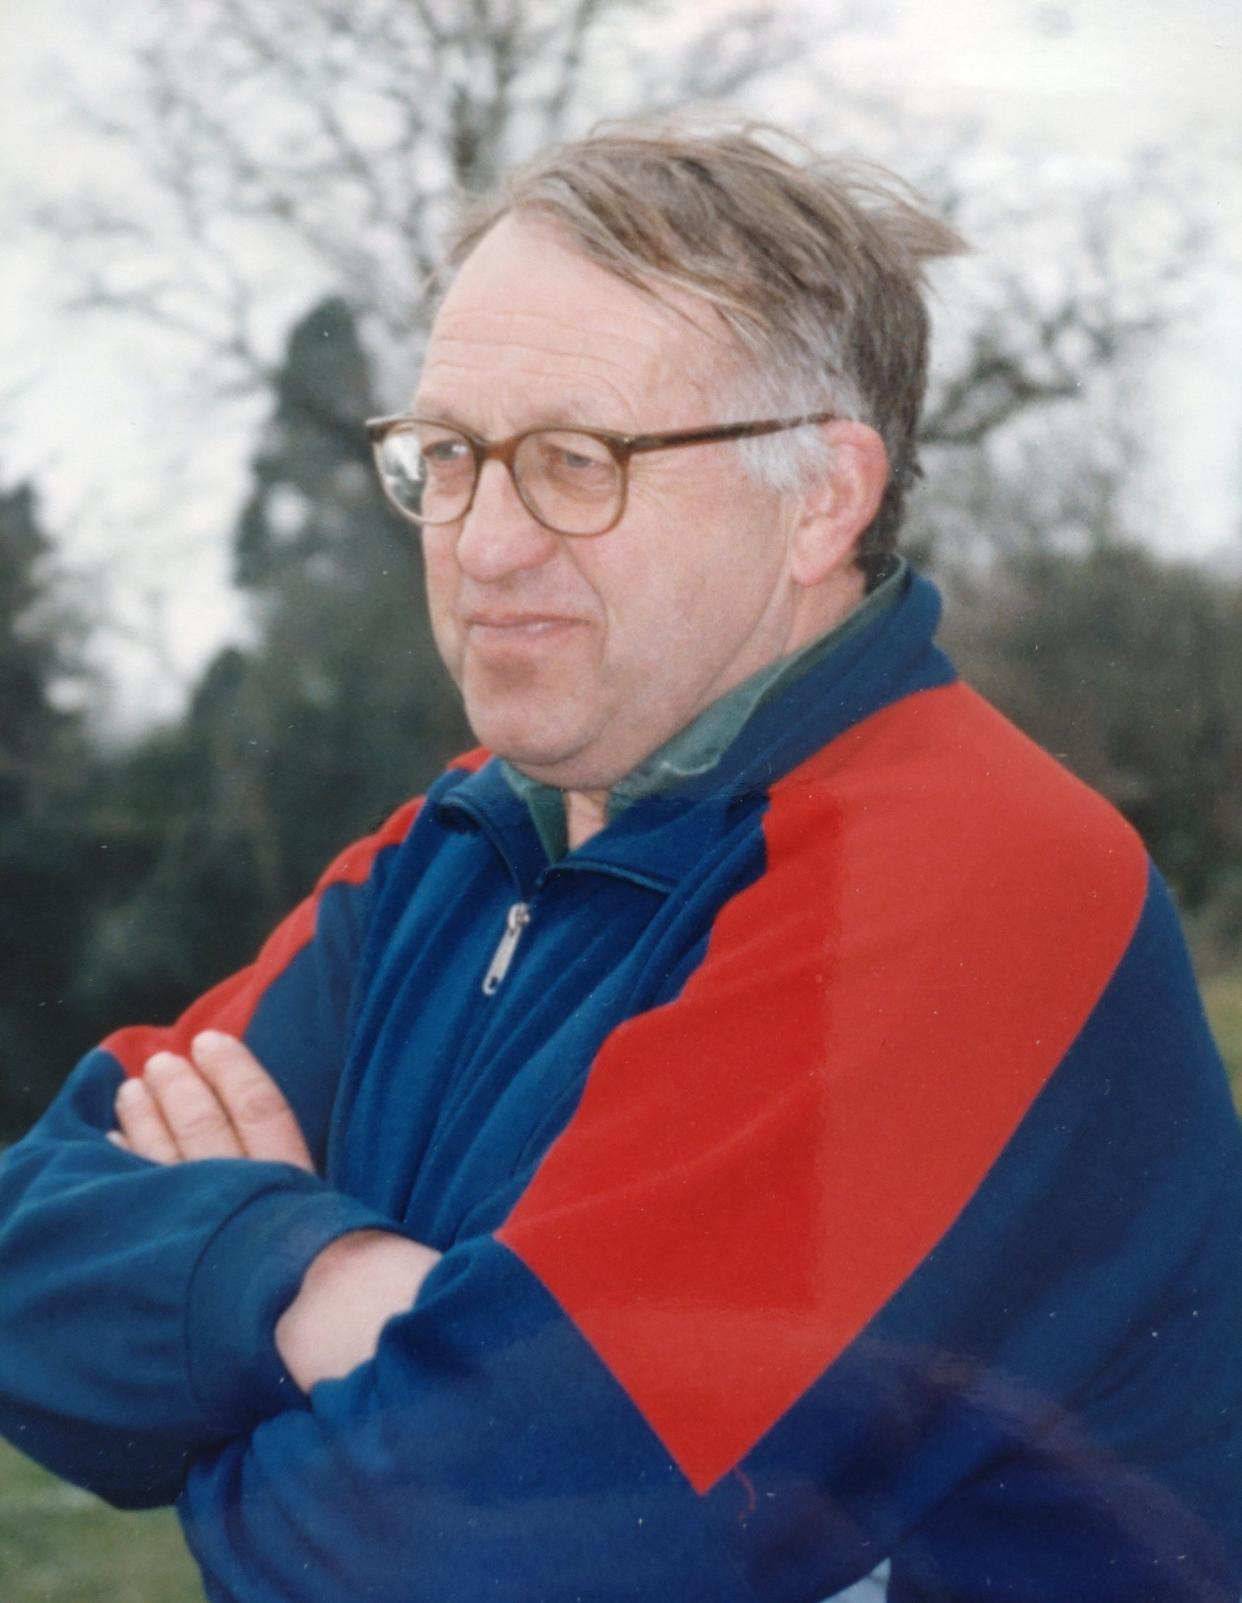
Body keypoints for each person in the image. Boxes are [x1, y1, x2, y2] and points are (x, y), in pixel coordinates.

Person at [1, 117, 1239, 1603]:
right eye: (447, 455)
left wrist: (230, 1306)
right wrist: (337, 1286)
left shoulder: (971, 875)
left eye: (575, 460)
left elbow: (435, 1557)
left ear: (822, 498)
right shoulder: (456, 842)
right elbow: (30, 1247)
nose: (484, 540)